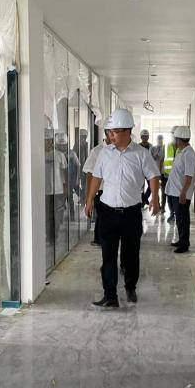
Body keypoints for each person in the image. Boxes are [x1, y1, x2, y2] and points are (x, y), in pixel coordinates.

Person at [85, 109, 161, 307]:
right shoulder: (104, 154)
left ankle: (130, 287)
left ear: (127, 131)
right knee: (108, 256)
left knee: (131, 254)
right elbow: (96, 177)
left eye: (115, 132)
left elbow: (153, 175)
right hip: (108, 212)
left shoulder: (141, 154)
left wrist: (154, 198)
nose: (111, 136)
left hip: (131, 213)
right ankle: (110, 295)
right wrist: (89, 200)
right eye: (110, 132)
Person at [165, 125, 195, 254]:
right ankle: (181, 240)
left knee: (183, 219)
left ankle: (184, 244)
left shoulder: (188, 154)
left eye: (175, 138)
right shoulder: (181, 152)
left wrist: (183, 192)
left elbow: (189, 175)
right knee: (180, 218)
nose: (174, 141)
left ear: (180, 139)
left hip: (180, 193)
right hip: (176, 191)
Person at [82, 118, 113, 246]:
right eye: (113, 131)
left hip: (114, 190)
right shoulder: (97, 151)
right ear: (107, 133)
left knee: (110, 216)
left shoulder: (119, 149)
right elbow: (89, 173)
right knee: (102, 215)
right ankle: (99, 239)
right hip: (100, 190)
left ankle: (106, 238)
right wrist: (88, 196)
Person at [149, 134, 166, 213]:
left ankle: (163, 207)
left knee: (163, 191)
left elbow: (165, 159)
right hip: (154, 174)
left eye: (161, 140)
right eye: (159, 140)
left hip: (163, 173)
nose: (160, 141)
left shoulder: (165, 148)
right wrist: (155, 155)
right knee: (155, 190)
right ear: (156, 140)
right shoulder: (152, 148)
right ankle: (157, 205)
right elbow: (149, 159)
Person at [163, 135, 177, 222]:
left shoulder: (181, 148)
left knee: (175, 196)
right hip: (168, 175)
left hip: (177, 176)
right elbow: (166, 159)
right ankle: (172, 213)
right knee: (168, 195)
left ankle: (175, 213)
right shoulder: (168, 145)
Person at [139, 129, 152, 205]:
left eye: (146, 136)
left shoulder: (151, 147)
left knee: (151, 186)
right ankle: (142, 202)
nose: (145, 138)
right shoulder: (137, 146)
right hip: (139, 170)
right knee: (140, 187)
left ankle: (144, 199)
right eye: (143, 136)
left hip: (148, 170)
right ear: (141, 137)